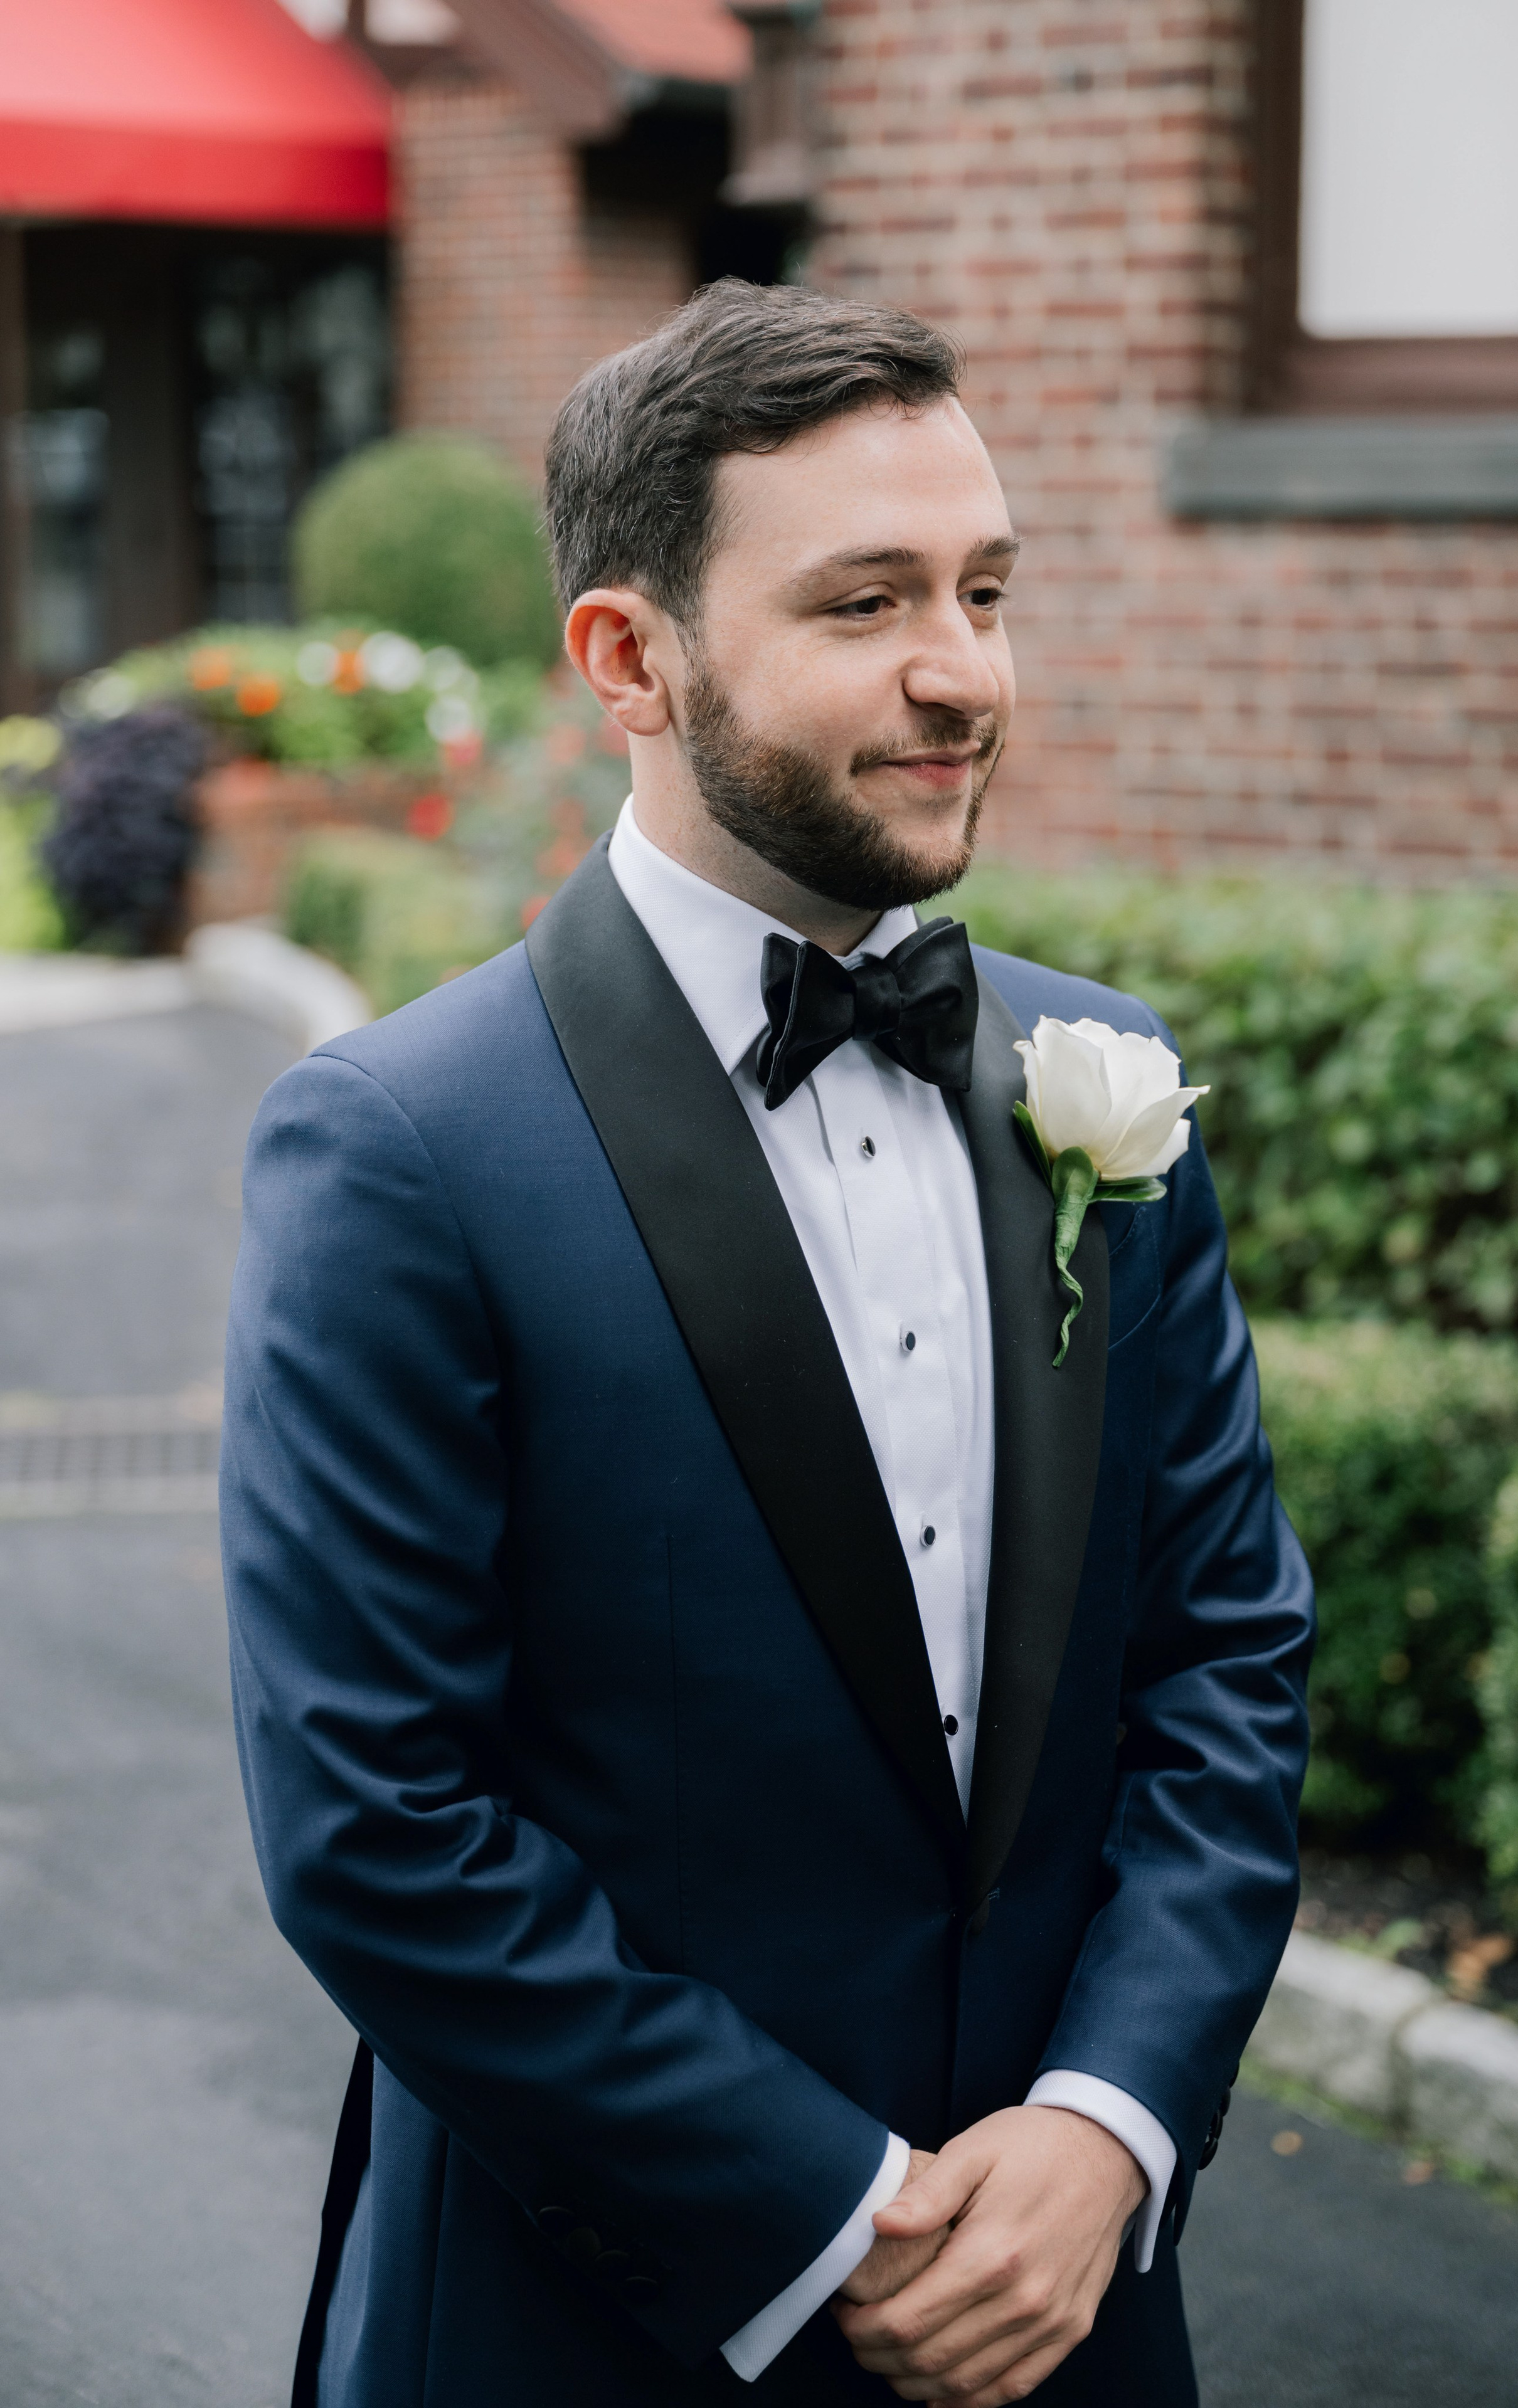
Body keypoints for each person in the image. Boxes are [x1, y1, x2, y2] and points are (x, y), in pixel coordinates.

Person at [222, 280, 1313, 2408]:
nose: (965, 673)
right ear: (632, 658)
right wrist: (835, 2211)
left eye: (987, 590)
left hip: (1072, 2308)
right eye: (866, 603)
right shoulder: (400, 1152)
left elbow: (1222, 1662)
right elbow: (377, 1823)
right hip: (588, 2320)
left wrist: (1109, 2129)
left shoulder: (1105, 1071)